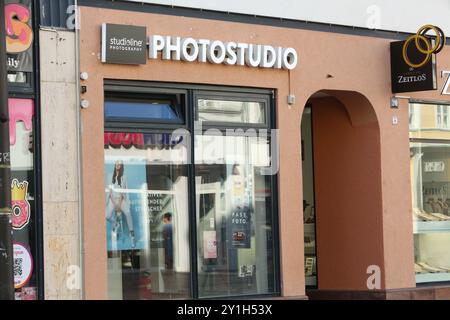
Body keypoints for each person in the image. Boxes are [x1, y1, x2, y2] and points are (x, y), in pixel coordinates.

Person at [106, 160, 136, 248]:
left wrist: (119, 203)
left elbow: (123, 191)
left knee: (128, 213)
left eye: (119, 164)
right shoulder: (109, 175)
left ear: (121, 166)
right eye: (116, 164)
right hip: (112, 199)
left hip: (121, 199)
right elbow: (110, 191)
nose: (117, 165)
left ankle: (132, 237)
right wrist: (114, 203)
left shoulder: (124, 177)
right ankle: (115, 223)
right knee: (107, 215)